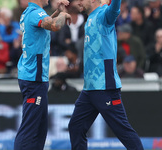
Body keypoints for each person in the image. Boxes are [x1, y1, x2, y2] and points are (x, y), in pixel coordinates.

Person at [68, 0, 144, 150]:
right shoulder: (91, 17)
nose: (79, 2)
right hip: (89, 89)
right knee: (75, 127)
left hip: (105, 87)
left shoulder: (103, 15)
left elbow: (114, 9)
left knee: (123, 131)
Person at [14, 0, 71, 150]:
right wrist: (64, 15)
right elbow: (54, 25)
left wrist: (58, 12)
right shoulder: (35, 13)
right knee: (30, 128)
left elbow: (45, 24)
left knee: (40, 128)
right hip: (34, 78)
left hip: (34, 77)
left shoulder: (29, 12)